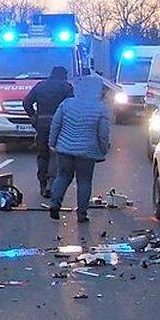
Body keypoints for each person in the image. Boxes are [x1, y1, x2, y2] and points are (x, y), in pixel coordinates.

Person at [47, 75, 112, 223]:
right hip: (87, 152)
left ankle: (55, 205)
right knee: (84, 181)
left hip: (64, 149)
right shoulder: (100, 108)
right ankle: (82, 214)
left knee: (62, 177)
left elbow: (56, 125)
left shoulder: (66, 104)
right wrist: (103, 150)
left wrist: (52, 143)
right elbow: (103, 134)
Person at [22, 66, 75, 198]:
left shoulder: (40, 86)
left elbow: (26, 102)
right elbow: (71, 105)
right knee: (56, 154)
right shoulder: (66, 87)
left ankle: (42, 184)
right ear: (63, 75)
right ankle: (52, 184)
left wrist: (33, 116)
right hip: (60, 125)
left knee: (43, 154)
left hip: (42, 124)